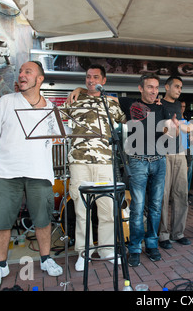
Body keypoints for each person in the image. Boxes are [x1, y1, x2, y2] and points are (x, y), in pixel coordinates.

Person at [0, 61, 63, 289]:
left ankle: (46, 259)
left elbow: (58, 137)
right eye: (20, 72)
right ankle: (1, 266)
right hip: (6, 172)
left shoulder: (51, 108)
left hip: (39, 173)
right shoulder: (6, 101)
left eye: (27, 72)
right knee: (0, 222)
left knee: (42, 220)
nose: (21, 75)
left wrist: (62, 135)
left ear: (39, 79)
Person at [63, 64, 126, 271]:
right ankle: (84, 252)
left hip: (104, 161)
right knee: (82, 209)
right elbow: (60, 121)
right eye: (88, 77)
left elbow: (126, 122)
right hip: (79, 161)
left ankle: (107, 250)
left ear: (104, 80)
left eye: (95, 77)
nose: (91, 80)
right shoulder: (74, 99)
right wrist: (78, 92)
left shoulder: (111, 103)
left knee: (107, 207)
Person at [117, 73, 178, 267]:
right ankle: (134, 247)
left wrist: (174, 130)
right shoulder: (129, 104)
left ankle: (152, 244)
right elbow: (104, 97)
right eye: (149, 87)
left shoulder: (164, 108)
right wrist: (78, 90)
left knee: (156, 206)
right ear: (140, 88)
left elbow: (169, 133)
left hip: (159, 161)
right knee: (137, 207)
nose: (153, 91)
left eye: (156, 87)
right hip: (138, 161)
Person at [158, 76, 191, 250]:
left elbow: (180, 127)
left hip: (180, 154)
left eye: (181, 87)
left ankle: (178, 233)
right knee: (163, 196)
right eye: (176, 86)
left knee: (181, 194)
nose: (179, 90)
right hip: (163, 154)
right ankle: (163, 235)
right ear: (167, 87)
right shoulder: (158, 104)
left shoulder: (178, 105)